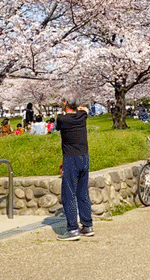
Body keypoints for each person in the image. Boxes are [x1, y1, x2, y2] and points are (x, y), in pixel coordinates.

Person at [56, 98, 93, 241]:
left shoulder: (62, 119)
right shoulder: (82, 116)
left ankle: (72, 230)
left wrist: (67, 108)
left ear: (65, 105)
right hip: (84, 157)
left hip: (71, 158)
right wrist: (76, 107)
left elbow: (58, 125)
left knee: (68, 194)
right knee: (83, 192)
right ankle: (87, 225)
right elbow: (86, 109)